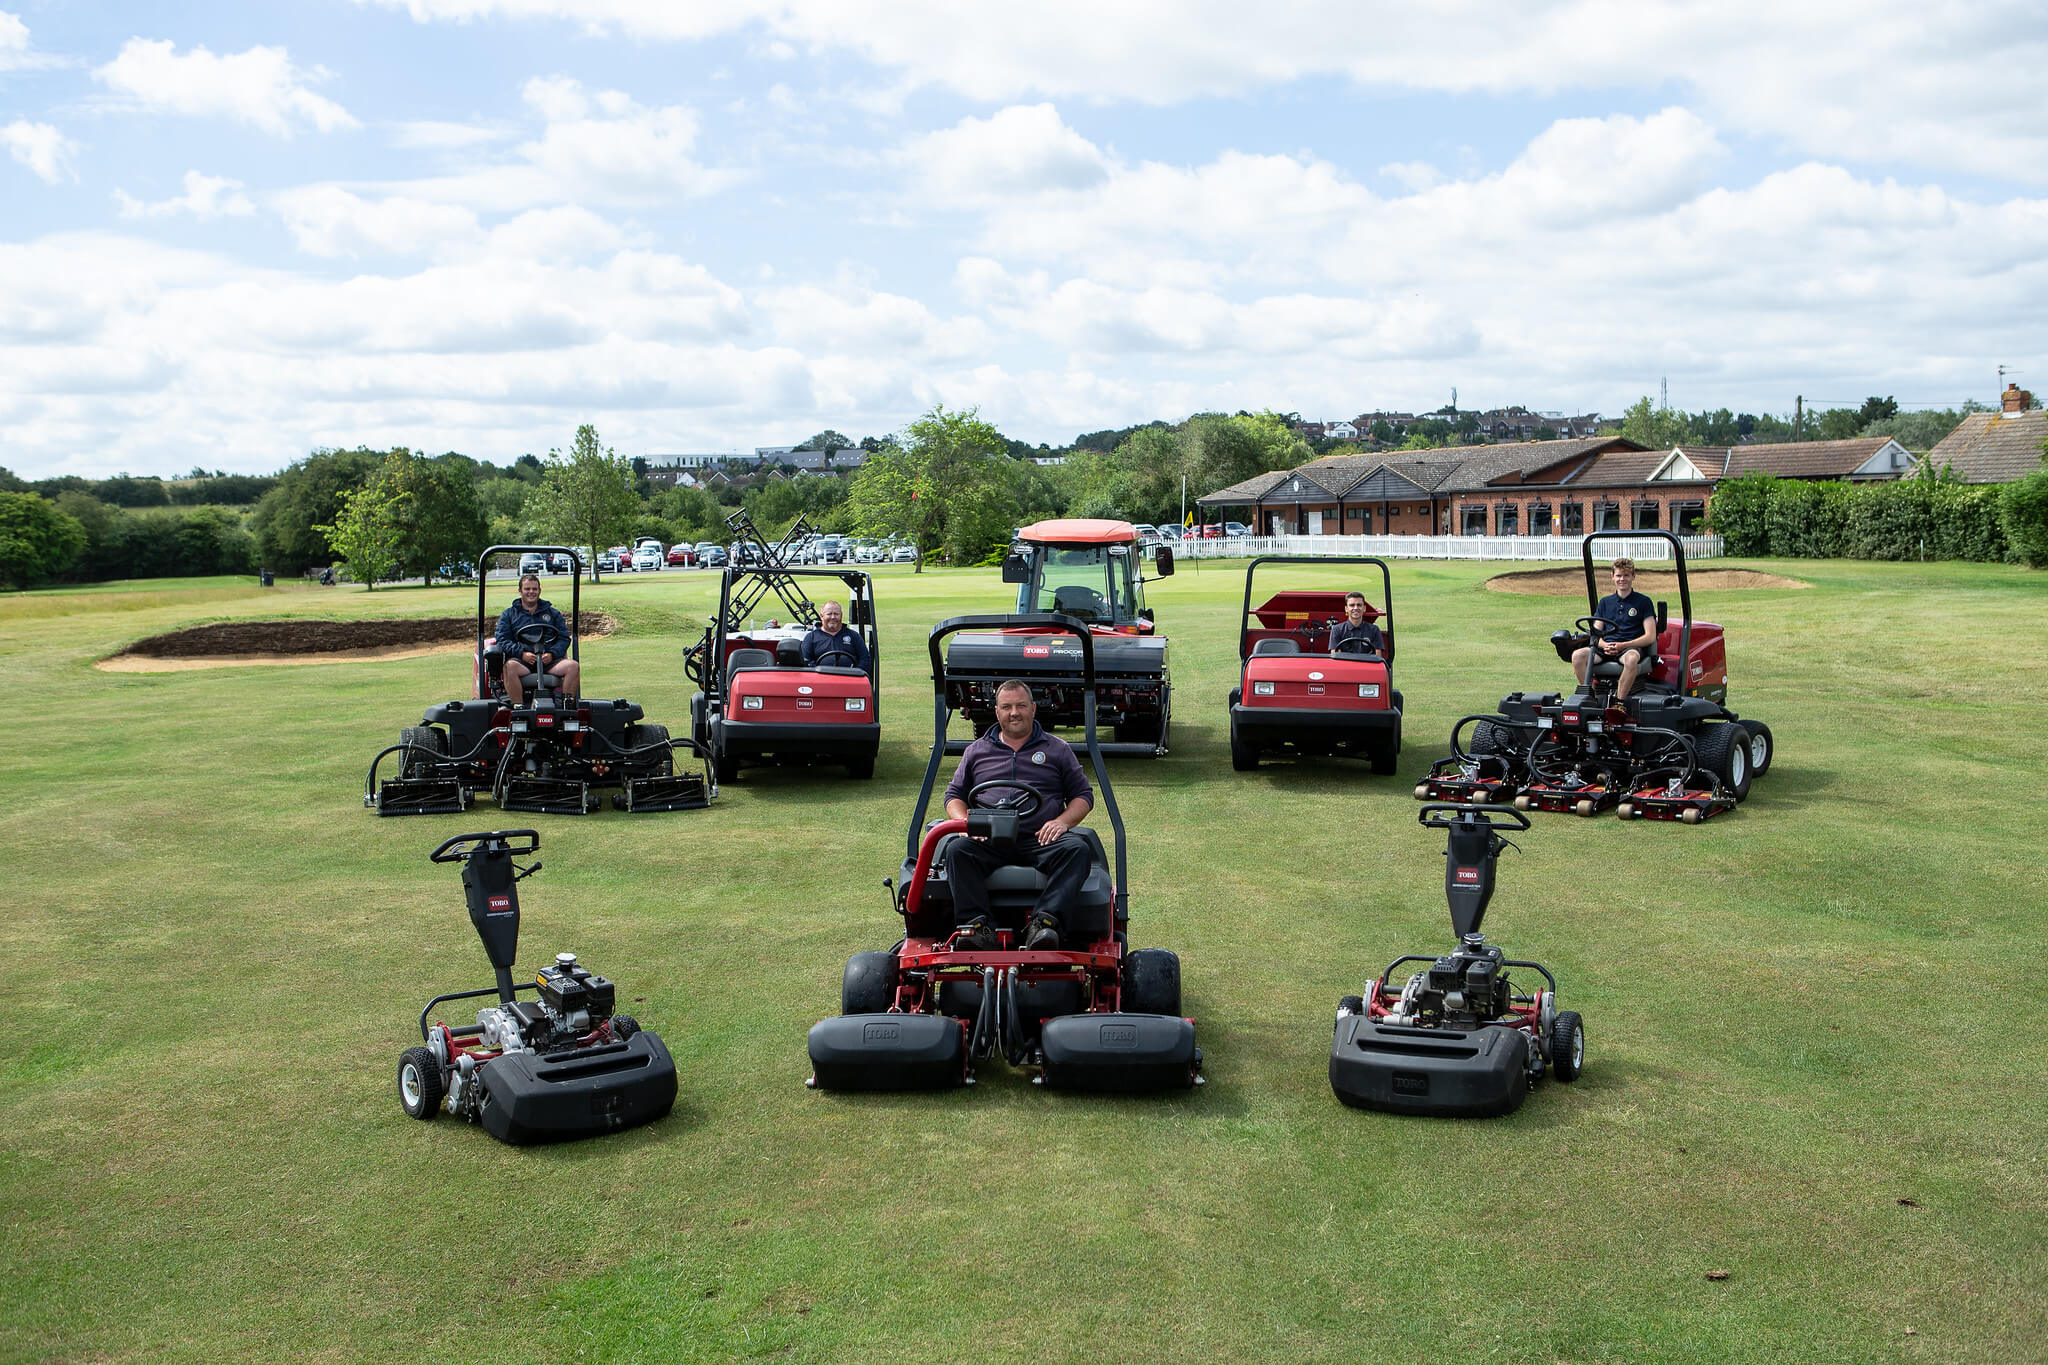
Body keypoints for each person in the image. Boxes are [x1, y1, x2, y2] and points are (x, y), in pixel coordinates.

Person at [943, 680, 1094, 952]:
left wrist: (1062, 822)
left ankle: (1045, 923)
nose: (1014, 712)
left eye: (1021, 706)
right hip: (988, 836)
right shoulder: (976, 751)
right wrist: (965, 823)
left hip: (1040, 838)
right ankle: (977, 926)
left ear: (1033, 709)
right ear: (997, 711)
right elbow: (953, 795)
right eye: (1007, 707)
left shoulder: (1056, 749)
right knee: (956, 850)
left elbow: (1083, 796)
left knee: (1078, 850)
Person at [1573, 557, 1659, 700]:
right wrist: (1605, 645)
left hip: (1629, 647)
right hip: (1606, 648)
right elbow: (1596, 634)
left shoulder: (1643, 602)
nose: (1622, 579)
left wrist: (1622, 645)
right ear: (1612, 576)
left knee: (1632, 659)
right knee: (1577, 656)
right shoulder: (1605, 602)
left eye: (1626, 575)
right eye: (1618, 575)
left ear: (1633, 576)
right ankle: (1592, 698)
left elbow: (1650, 636)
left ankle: (1619, 702)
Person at [496, 572, 579, 705]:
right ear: (520, 591)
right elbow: (502, 639)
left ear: (539, 591)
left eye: (534, 589)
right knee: (509, 667)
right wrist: (521, 654)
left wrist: (552, 654)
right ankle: (518, 707)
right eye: (527, 589)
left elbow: (564, 638)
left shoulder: (553, 614)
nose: (531, 592)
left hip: (549, 661)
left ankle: (567, 706)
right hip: (522, 661)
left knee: (573, 666)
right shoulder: (509, 615)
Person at [801, 600, 870, 671]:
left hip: (849, 678)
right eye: (829, 614)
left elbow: (865, 660)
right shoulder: (811, 637)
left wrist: (855, 673)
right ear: (821, 616)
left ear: (841, 615)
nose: (833, 617)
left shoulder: (853, 636)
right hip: (820, 679)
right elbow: (806, 661)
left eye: (836, 614)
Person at [1327, 591, 1384, 657]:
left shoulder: (1374, 630)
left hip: (1367, 666)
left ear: (1364, 608)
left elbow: (1377, 657)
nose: (1356, 608)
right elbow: (1336, 657)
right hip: (1345, 666)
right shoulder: (1337, 630)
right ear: (1346, 609)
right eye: (1352, 605)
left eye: (1359, 605)